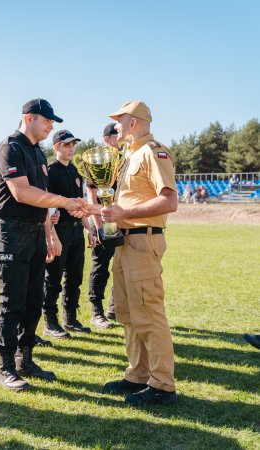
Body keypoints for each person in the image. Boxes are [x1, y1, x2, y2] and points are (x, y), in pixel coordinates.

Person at [0, 98, 88, 392]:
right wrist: (66, 201)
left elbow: (42, 201)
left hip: (35, 232)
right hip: (11, 232)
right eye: (47, 121)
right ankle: (5, 367)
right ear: (30, 117)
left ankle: (25, 360)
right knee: (12, 301)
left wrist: (49, 234)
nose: (50, 126)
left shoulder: (36, 153)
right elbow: (22, 193)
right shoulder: (10, 147)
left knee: (34, 299)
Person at [98, 100, 178, 406]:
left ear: (134, 123)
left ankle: (163, 385)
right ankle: (138, 375)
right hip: (126, 243)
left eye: (120, 120)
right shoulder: (128, 156)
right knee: (129, 315)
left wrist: (123, 211)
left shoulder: (153, 152)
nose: (116, 125)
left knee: (149, 314)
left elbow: (169, 201)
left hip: (143, 242)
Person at [43, 129, 95, 340]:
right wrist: (51, 233)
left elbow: (80, 204)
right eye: (66, 145)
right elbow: (45, 204)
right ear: (56, 147)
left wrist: (88, 228)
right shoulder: (50, 171)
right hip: (59, 230)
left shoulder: (75, 171)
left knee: (75, 278)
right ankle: (50, 322)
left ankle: (70, 318)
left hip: (76, 232)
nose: (71, 148)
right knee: (53, 279)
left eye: (73, 145)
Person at [87, 123, 124, 329]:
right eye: (115, 134)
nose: (120, 137)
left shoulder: (126, 160)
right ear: (106, 139)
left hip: (121, 221)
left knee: (120, 266)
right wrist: (100, 226)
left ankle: (113, 307)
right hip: (102, 221)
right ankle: (96, 311)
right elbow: (92, 196)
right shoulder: (97, 161)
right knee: (101, 267)